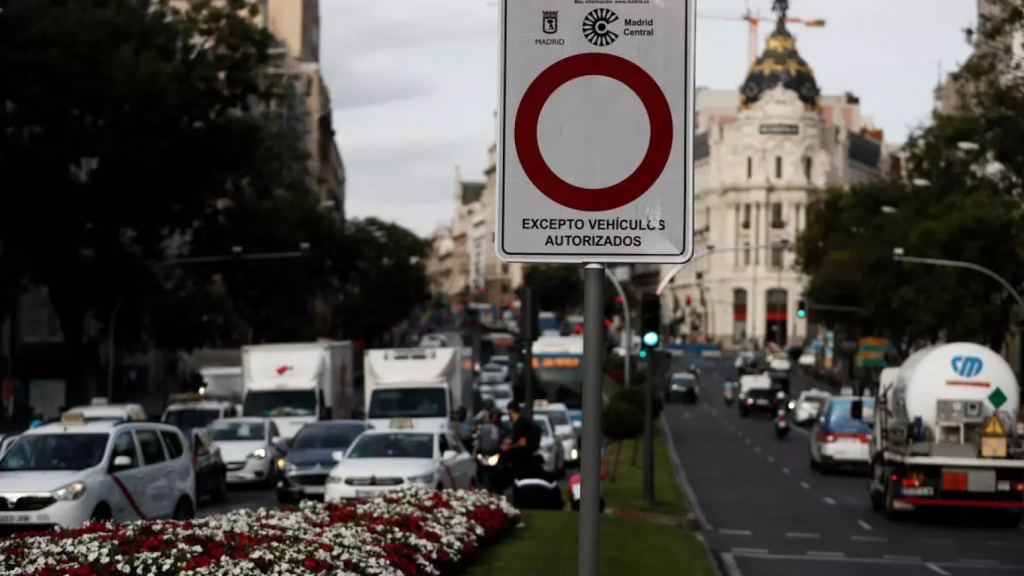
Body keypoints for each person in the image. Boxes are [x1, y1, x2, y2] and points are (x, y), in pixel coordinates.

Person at [501, 402, 539, 480]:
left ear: (511, 411)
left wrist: (509, 447)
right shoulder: (517, 423)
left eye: (508, 411)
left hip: (521, 458)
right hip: (519, 457)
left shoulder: (521, 423)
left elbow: (522, 442)